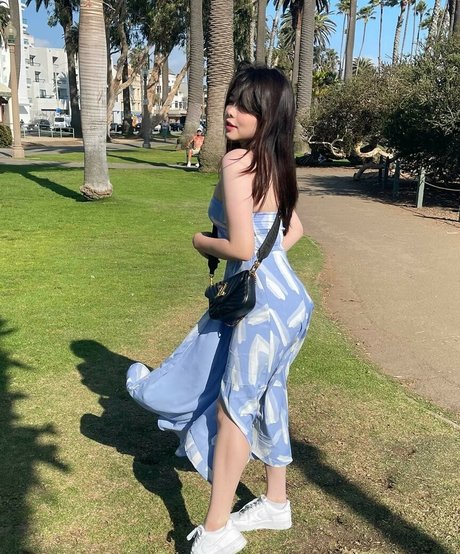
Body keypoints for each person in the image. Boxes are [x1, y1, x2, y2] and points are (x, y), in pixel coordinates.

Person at [126, 64, 314, 554]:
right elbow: (293, 230)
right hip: (291, 302)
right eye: (231, 100)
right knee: (270, 395)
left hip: (262, 309)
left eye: (246, 106)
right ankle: (276, 502)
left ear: (268, 116)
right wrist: (266, 268)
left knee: (234, 409)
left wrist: (202, 241)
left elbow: (243, 246)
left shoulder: (236, 162)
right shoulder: (275, 163)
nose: (231, 111)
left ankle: (216, 530)